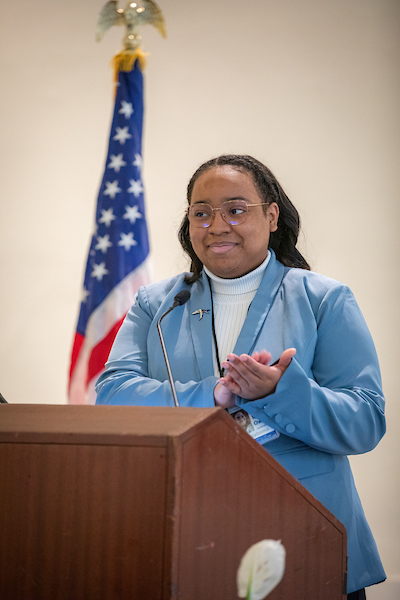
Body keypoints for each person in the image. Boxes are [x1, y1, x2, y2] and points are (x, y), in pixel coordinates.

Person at [96, 154, 386, 598]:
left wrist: (280, 392)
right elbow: (113, 395)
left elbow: (365, 421)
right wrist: (211, 394)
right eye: (201, 213)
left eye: (235, 209)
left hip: (304, 531)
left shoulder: (323, 299)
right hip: (186, 531)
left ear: (271, 216)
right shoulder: (157, 303)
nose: (216, 225)